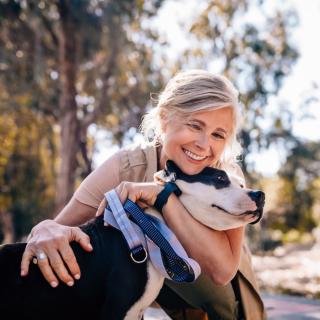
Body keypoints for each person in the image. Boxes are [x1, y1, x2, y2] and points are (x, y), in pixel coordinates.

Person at [20, 70, 265, 320]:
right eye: (195, 125)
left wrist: (162, 196)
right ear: (165, 118)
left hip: (217, 297)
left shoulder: (229, 179)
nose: (204, 144)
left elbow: (222, 272)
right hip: (140, 279)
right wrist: (44, 230)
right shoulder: (126, 167)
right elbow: (58, 229)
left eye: (218, 135)